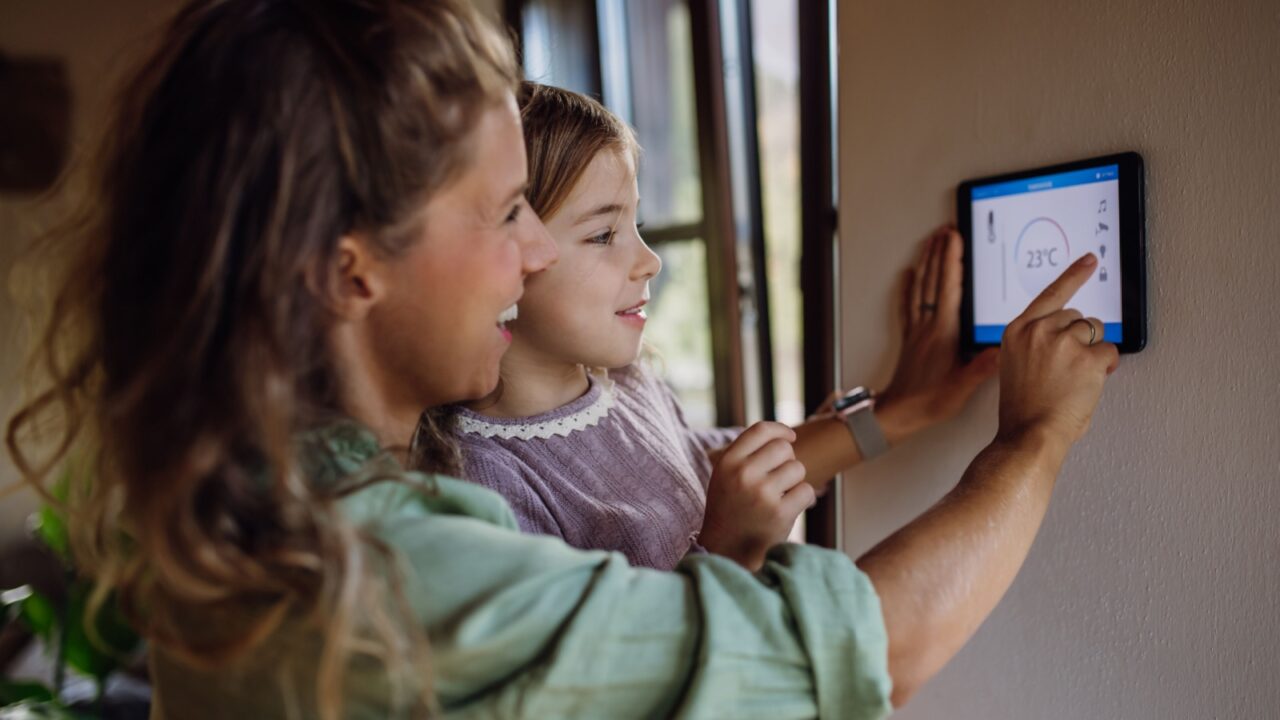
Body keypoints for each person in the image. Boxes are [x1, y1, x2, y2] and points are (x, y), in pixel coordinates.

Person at [5, 1, 1119, 717]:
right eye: (504, 215)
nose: (532, 253)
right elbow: (846, 654)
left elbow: (721, 457)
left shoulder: (269, 496)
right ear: (350, 270)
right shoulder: (399, 563)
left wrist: (905, 412)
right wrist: (1033, 437)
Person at [449, 82, 999, 571]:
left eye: (635, 225)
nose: (650, 261)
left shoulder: (629, 385)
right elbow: (617, 677)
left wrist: (904, 410)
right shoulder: (484, 482)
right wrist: (727, 553)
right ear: (506, 255)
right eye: (601, 234)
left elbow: (710, 473)